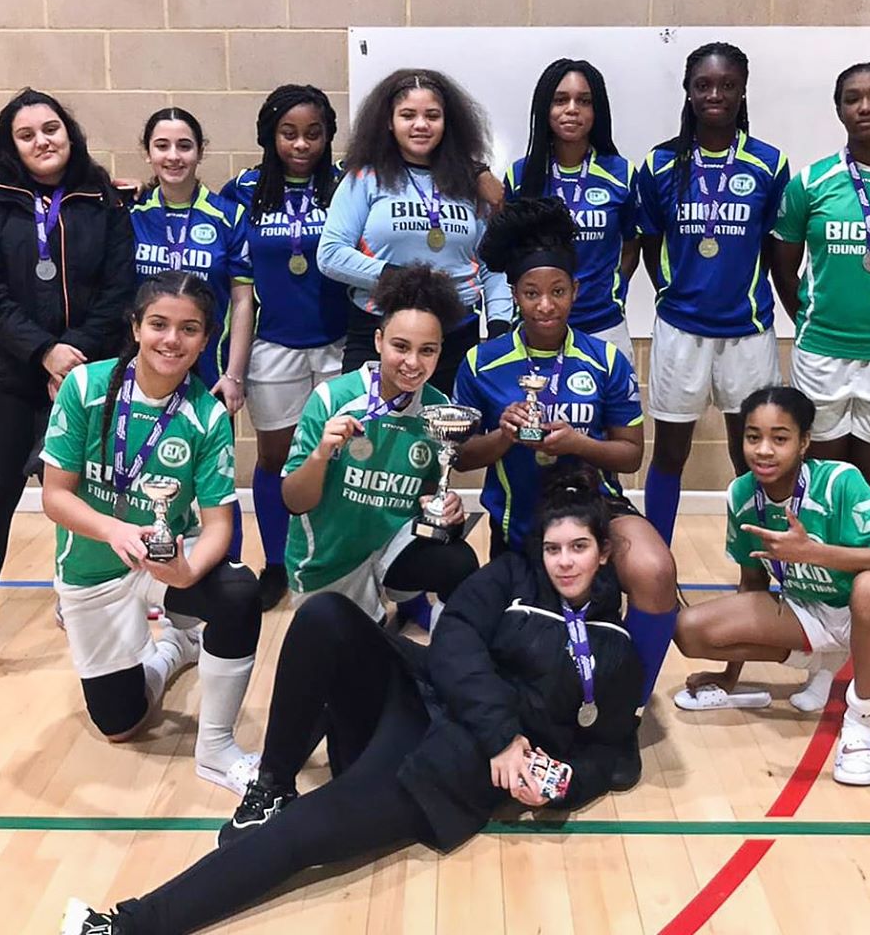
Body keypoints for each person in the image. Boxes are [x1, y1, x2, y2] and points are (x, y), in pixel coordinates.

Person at [60, 471, 644, 935]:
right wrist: (503, 734)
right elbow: (454, 642)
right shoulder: (511, 578)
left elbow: (616, 753)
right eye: (554, 548)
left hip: (445, 770)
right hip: (417, 698)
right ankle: (272, 783)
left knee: (297, 840)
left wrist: (565, 780)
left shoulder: (617, 651)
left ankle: (126, 927)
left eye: (579, 548)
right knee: (325, 616)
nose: (564, 561)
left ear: (602, 554)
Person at [41, 271, 262, 794]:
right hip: (92, 567)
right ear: (136, 326)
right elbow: (55, 496)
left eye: (189, 329)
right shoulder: (86, 387)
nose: (172, 340)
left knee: (237, 592)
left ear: (206, 339)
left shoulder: (207, 416)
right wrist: (115, 530)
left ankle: (215, 748)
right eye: (159, 324)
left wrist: (186, 570)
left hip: (163, 562)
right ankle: (171, 653)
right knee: (121, 726)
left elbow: (219, 527)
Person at [453, 197, 678, 704]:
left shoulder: (605, 360)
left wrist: (579, 443)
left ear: (575, 291)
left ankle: (631, 704)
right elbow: (463, 456)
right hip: (520, 522)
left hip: (597, 511)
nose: (546, 305)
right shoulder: (481, 363)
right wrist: (503, 436)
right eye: (532, 293)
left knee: (656, 570)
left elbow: (630, 455)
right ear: (514, 295)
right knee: (531, 664)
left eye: (557, 291)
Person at [0, 88, 134, 690]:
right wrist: (42, 349)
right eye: (28, 133)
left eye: (52, 129)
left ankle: (89, 600)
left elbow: (121, 287)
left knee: (86, 496)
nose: (43, 141)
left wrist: (77, 354)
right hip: (15, 375)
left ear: (70, 131)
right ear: (10, 144)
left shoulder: (102, 196)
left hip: (88, 377)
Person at [674, 386, 870, 787]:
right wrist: (729, 675)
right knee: (690, 629)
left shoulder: (840, 481)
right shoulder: (741, 494)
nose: (764, 450)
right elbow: (751, 584)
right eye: (753, 437)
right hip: (810, 610)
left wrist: (813, 552)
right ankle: (824, 661)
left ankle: (860, 722)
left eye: (780, 438)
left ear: (804, 441)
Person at [638, 42, 790, 548]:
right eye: (703, 85)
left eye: (727, 84)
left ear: (743, 89)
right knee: (670, 452)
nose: (715, 94)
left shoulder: (770, 164)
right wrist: (673, 293)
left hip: (747, 330)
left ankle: (758, 557)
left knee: (751, 451)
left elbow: (772, 246)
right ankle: (657, 559)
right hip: (681, 328)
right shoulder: (660, 164)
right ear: (688, 91)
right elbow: (650, 241)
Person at [280, 262, 479, 626]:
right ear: (378, 341)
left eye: (427, 351)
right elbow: (294, 501)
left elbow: (430, 490)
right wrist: (321, 455)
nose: (412, 363)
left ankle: (448, 658)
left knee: (459, 561)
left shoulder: (439, 410)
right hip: (327, 561)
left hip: (392, 549)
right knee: (347, 662)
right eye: (400, 347)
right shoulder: (332, 399)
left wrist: (444, 507)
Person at [772, 61, 870, 513]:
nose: (865, 107)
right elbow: (784, 267)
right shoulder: (811, 183)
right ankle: (818, 582)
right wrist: (807, 319)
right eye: (852, 98)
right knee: (820, 480)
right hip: (821, 351)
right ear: (838, 109)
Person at [221, 85, 346, 610]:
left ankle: (337, 558)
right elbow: (239, 289)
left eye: (313, 134)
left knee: (338, 455)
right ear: (270, 135)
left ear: (328, 135)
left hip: (340, 342)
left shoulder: (345, 186)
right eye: (289, 133)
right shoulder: (242, 190)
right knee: (275, 457)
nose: (302, 144)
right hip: (273, 346)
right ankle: (275, 561)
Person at [317, 68, 513, 394]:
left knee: (452, 441)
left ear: (447, 122)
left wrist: (499, 328)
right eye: (408, 115)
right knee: (368, 442)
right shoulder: (364, 178)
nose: (421, 125)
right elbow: (331, 255)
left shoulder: (471, 184)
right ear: (389, 122)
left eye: (432, 115)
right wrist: (403, 280)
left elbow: (493, 264)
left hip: (457, 336)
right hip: (380, 331)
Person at [128, 107, 254, 560]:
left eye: (184, 145)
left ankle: (228, 572)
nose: (173, 155)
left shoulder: (228, 215)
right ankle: (148, 570)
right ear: (147, 153)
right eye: (162, 145)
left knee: (215, 483)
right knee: (143, 471)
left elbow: (243, 301)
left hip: (209, 369)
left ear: (201, 152)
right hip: (145, 369)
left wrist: (234, 374)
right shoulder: (131, 212)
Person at [504, 58, 640, 365]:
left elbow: (632, 246)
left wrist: (613, 291)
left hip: (603, 325)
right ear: (544, 108)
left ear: (597, 110)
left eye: (584, 101)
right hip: (536, 326)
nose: (572, 109)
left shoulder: (622, 174)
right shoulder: (521, 176)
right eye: (560, 100)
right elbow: (508, 250)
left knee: (613, 413)